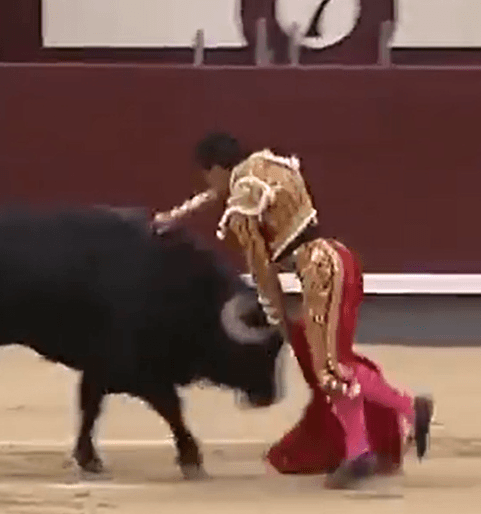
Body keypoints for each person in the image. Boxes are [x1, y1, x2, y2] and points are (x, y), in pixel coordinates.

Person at [152, 132, 435, 489]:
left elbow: (262, 269)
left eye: (207, 174)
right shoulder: (266, 165)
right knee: (334, 364)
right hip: (339, 257)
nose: (209, 184)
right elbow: (218, 194)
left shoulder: (243, 203)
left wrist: (276, 317)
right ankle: (361, 448)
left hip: (318, 270)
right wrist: (176, 217)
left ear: (217, 169)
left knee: (330, 368)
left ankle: (402, 413)